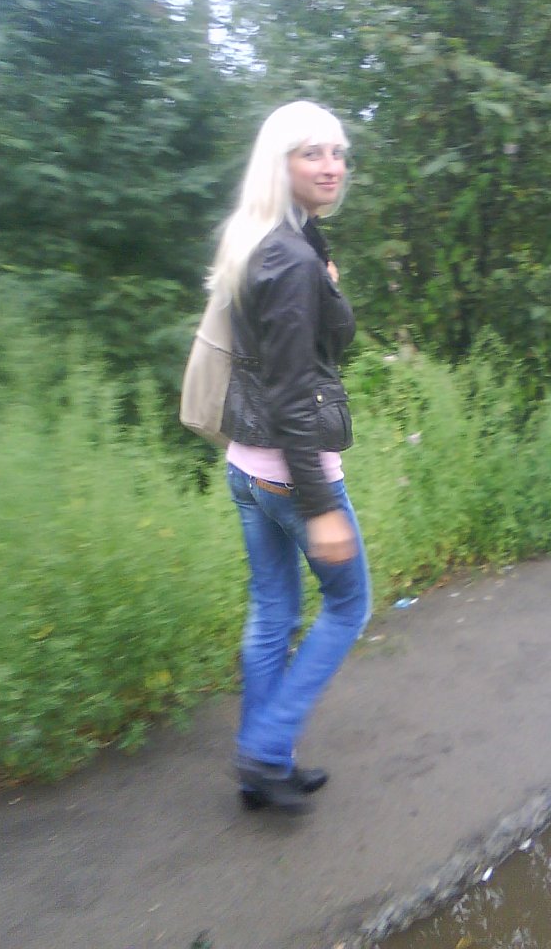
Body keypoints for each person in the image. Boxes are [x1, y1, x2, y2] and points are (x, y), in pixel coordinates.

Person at [207, 101, 371, 812]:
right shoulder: (293, 258)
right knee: (350, 605)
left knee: (273, 612)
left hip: (246, 465)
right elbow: (294, 392)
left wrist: (327, 279)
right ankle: (267, 747)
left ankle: (260, 772)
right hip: (290, 474)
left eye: (338, 152)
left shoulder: (260, 238)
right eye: (313, 153)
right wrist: (320, 506)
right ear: (281, 162)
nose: (332, 166)